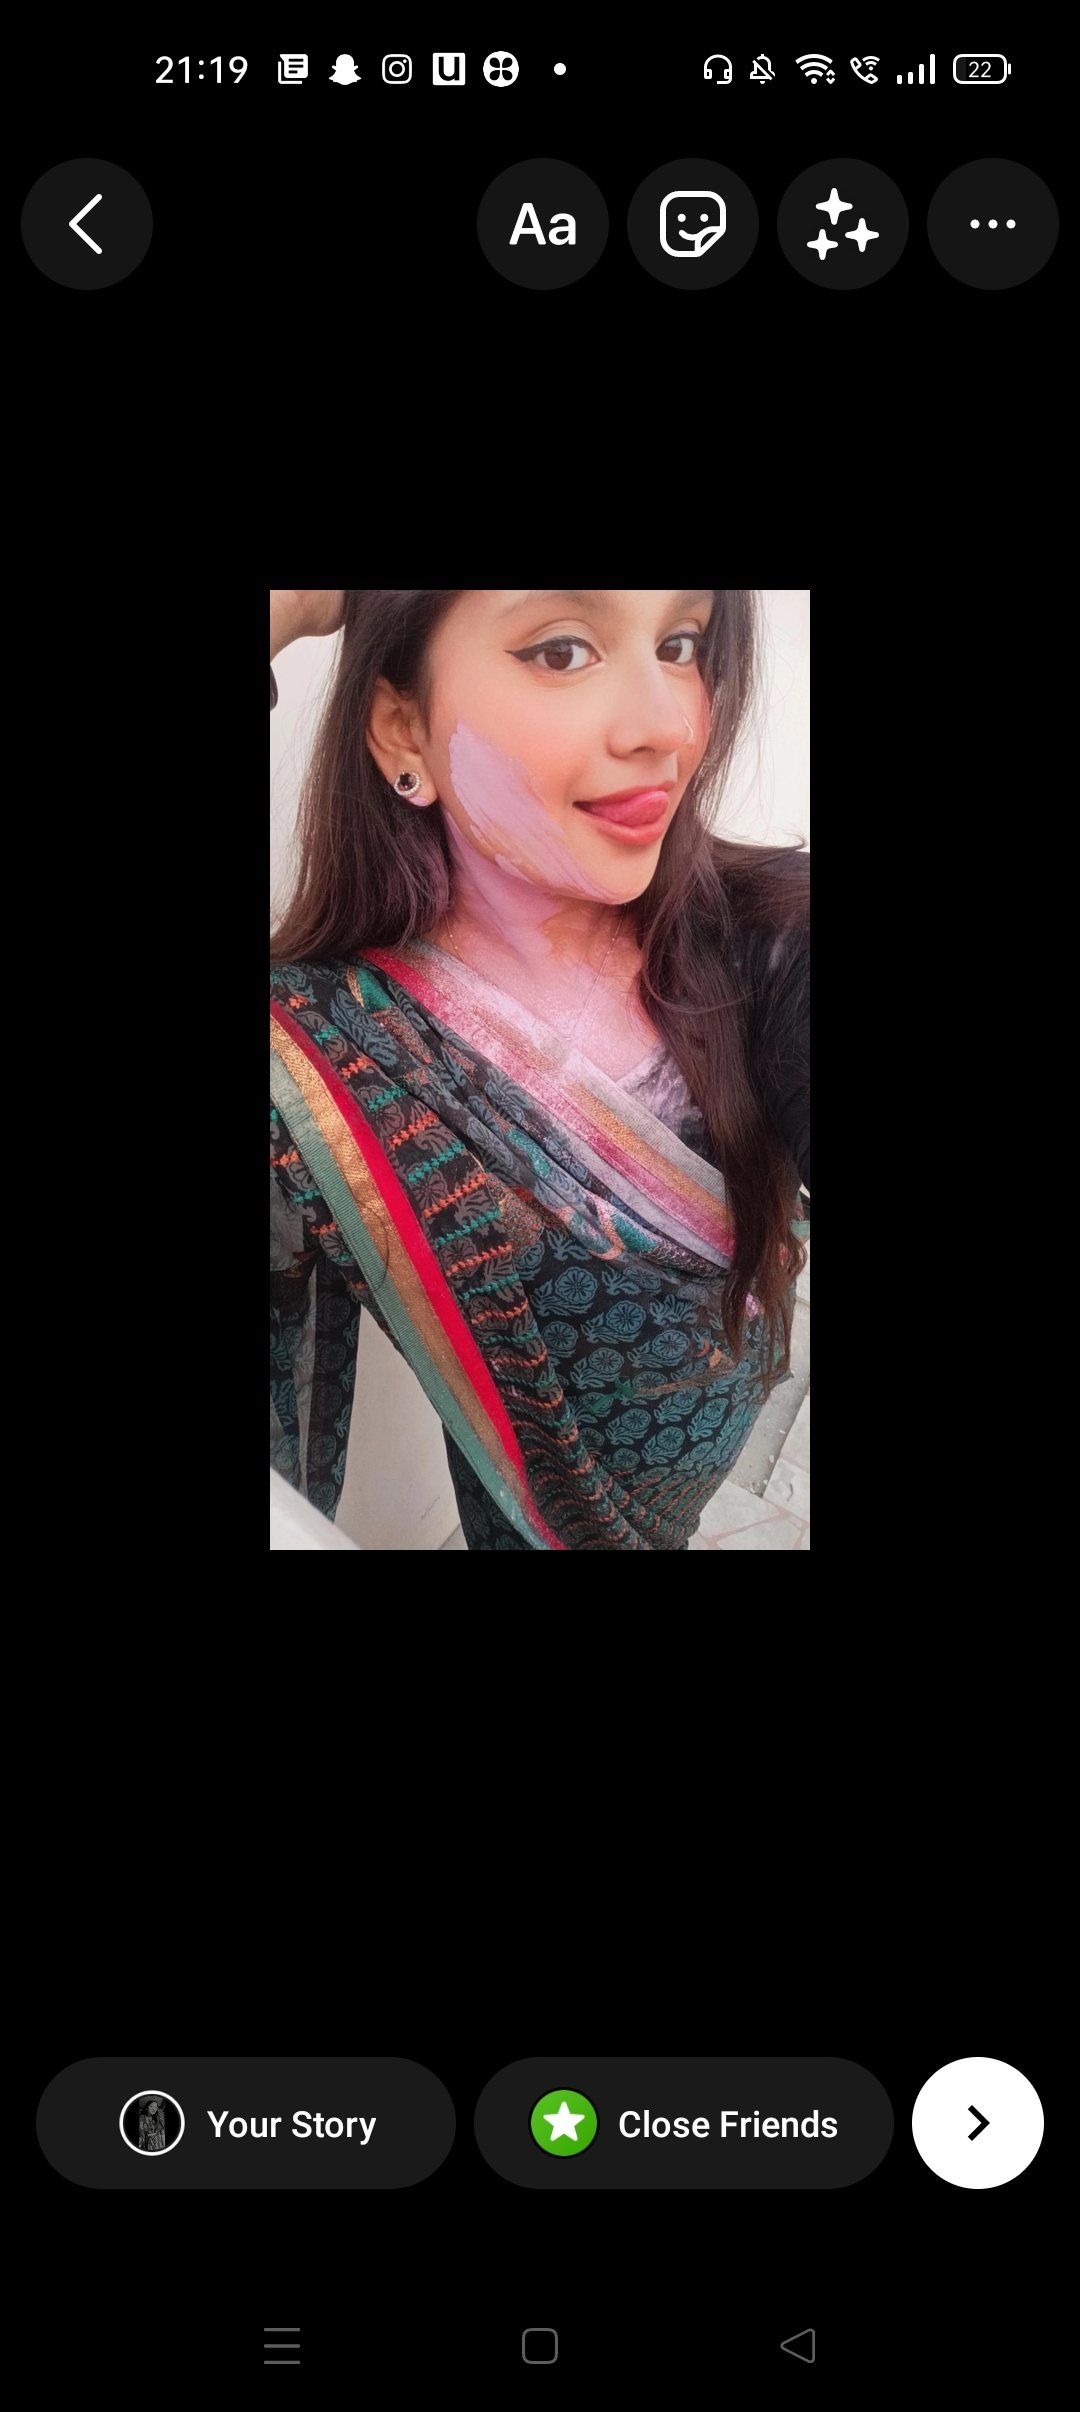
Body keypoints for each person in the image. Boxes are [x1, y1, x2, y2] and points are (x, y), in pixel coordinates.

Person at [270, 589, 809, 1551]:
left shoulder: (768, 938)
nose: (666, 727)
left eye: (680, 643)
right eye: (562, 650)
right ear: (402, 730)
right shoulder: (327, 1046)